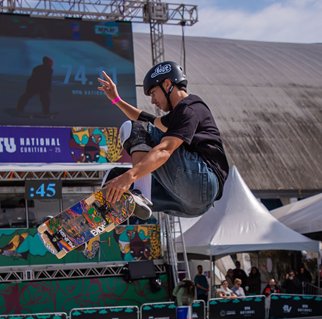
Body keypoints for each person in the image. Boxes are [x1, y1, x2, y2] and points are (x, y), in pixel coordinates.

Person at [98, 61, 229, 220]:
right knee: (117, 176)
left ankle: (141, 193)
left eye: (153, 93)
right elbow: (147, 119)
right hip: (192, 204)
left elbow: (164, 150)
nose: (153, 101)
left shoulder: (190, 108)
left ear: (167, 84)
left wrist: (130, 176)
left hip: (201, 181)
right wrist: (116, 100)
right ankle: (111, 208)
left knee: (135, 129)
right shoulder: (178, 116)